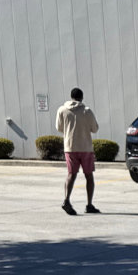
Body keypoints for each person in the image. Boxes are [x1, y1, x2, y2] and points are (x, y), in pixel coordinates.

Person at [56, 87, 100, 215]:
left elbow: (59, 127)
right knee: (89, 176)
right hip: (85, 147)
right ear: (82, 97)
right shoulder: (86, 111)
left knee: (71, 174)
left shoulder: (62, 110)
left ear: (71, 97)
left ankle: (66, 200)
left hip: (70, 147)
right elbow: (95, 128)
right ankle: (89, 204)